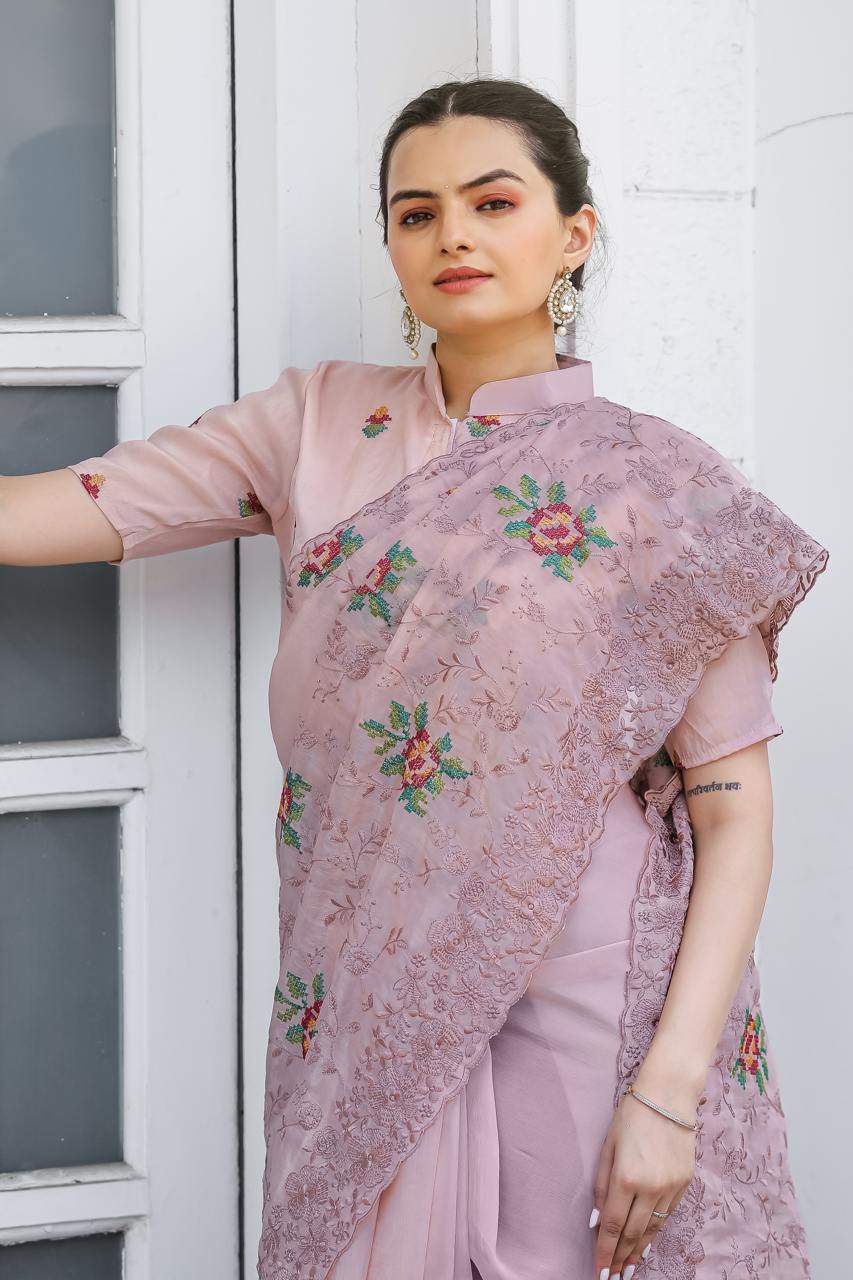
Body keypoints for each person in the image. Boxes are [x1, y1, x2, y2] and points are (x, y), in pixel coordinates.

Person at [1, 78, 828, 1280]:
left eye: (493, 202)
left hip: (583, 999)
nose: (453, 236)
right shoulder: (312, 426)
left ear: (574, 232)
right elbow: (48, 511)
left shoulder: (656, 485)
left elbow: (733, 810)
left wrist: (671, 1085)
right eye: (416, 212)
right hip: (362, 1001)